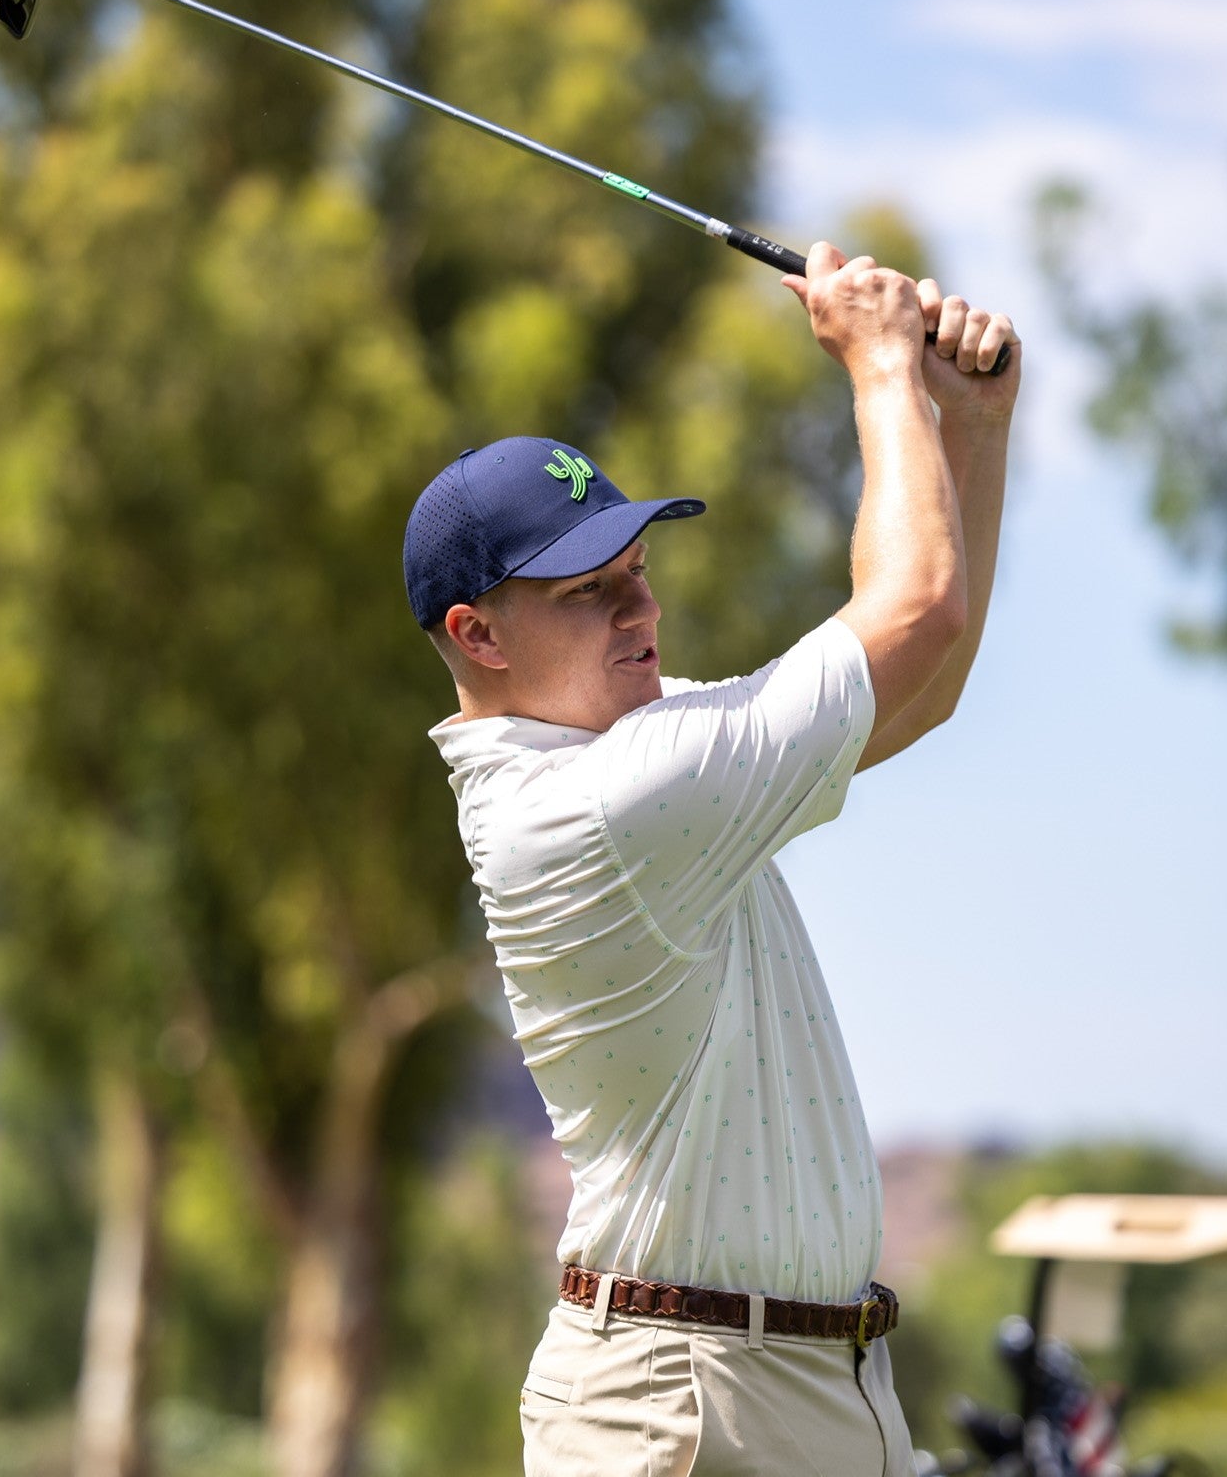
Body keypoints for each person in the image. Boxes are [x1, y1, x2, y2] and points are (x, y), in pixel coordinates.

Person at [402, 241, 1019, 1477]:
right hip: (684, 1409)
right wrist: (880, 367)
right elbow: (916, 617)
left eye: (640, 572)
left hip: (805, 1384)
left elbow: (921, 689)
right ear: (478, 634)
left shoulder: (640, 749)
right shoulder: (612, 802)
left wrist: (968, 425)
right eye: (591, 594)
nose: (645, 612)